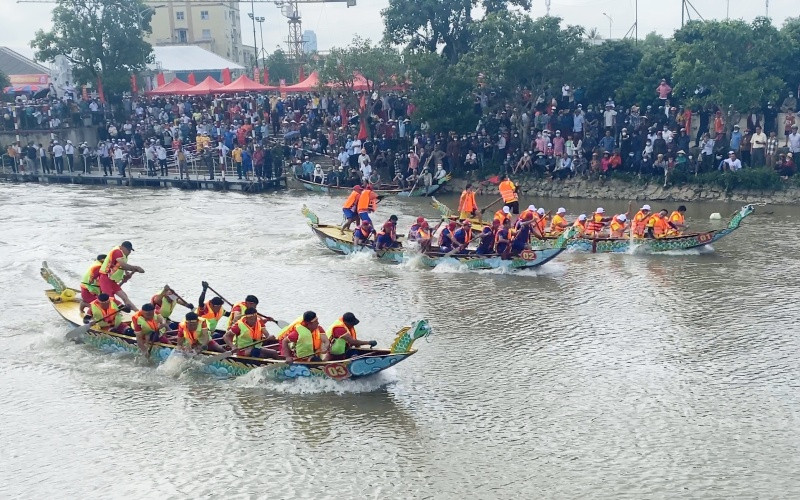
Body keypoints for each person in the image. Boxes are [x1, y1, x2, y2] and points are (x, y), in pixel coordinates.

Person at [98, 241, 143, 310]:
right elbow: (123, 264)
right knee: (110, 299)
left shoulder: (124, 255)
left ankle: (138, 313)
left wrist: (126, 273)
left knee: (124, 296)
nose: (129, 252)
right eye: (129, 250)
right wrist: (136, 268)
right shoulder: (117, 252)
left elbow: (123, 266)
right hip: (105, 278)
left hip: (112, 280)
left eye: (130, 250)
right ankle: (110, 314)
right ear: (123, 248)